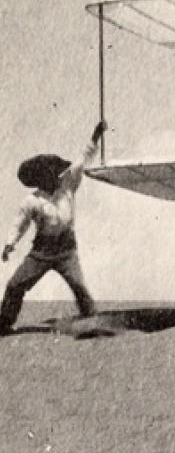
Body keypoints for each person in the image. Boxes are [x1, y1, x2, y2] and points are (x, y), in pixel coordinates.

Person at [0, 121, 107, 335]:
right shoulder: (32, 200)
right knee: (15, 285)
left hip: (67, 250)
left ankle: (93, 324)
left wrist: (95, 136)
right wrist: (9, 244)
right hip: (41, 252)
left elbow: (82, 159)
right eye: (50, 173)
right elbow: (20, 223)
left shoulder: (68, 185)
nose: (56, 175)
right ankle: (3, 324)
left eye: (56, 171)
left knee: (79, 287)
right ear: (41, 178)